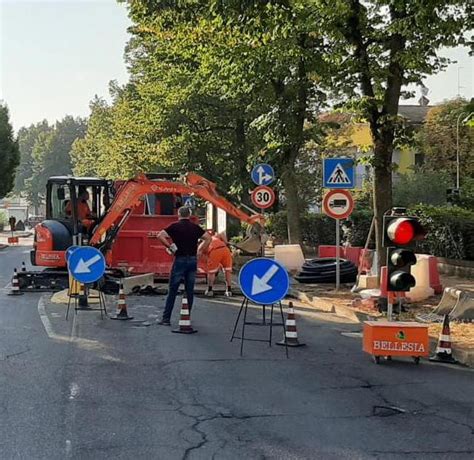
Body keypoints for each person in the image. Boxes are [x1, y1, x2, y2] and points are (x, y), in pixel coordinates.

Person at [157, 206, 212, 325]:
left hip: (179, 259)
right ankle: (186, 317)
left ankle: (166, 319)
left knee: (173, 289)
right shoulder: (195, 227)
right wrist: (200, 250)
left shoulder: (174, 226)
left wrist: (170, 246)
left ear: (179, 214)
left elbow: (160, 235)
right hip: (192, 260)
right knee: (189, 290)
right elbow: (208, 238)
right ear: (189, 214)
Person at [201, 231, 233, 297]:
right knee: (227, 271)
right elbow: (222, 233)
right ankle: (229, 291)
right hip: (225, 250)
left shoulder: (203, 243)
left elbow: (205, 257)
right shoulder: (215, 237)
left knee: (211, 272)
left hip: (214, 251)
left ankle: (210, 290)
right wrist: (226, 242)